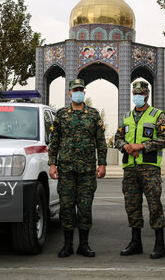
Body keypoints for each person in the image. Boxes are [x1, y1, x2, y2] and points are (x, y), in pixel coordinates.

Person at [48, 78, 107, 258]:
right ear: (69, 93)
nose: (78, 92)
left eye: (81, 89)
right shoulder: (61, 115)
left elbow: (100, 141)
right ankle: (67, 245)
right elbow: (54, 142)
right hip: (66, 170)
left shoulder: (93, 115)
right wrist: (52, 164)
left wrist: (102, 164)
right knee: (66, 208)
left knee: (84, 207)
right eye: (75, 90)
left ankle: (84, 244)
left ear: (84, 93)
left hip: (87, 171)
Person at [114, 81, 165, 259]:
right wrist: (126, 146)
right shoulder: (127, 116)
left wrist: (142, 146)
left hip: (149, 168)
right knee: (132, 206)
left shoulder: (157, 115)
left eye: (140, 93)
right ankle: (135, 243)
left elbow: (164, 139)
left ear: (146, 95)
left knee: (154, 205)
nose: (137, 96)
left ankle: (160, 245)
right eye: (135, 93)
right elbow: (117, 138)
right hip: (130, 168)